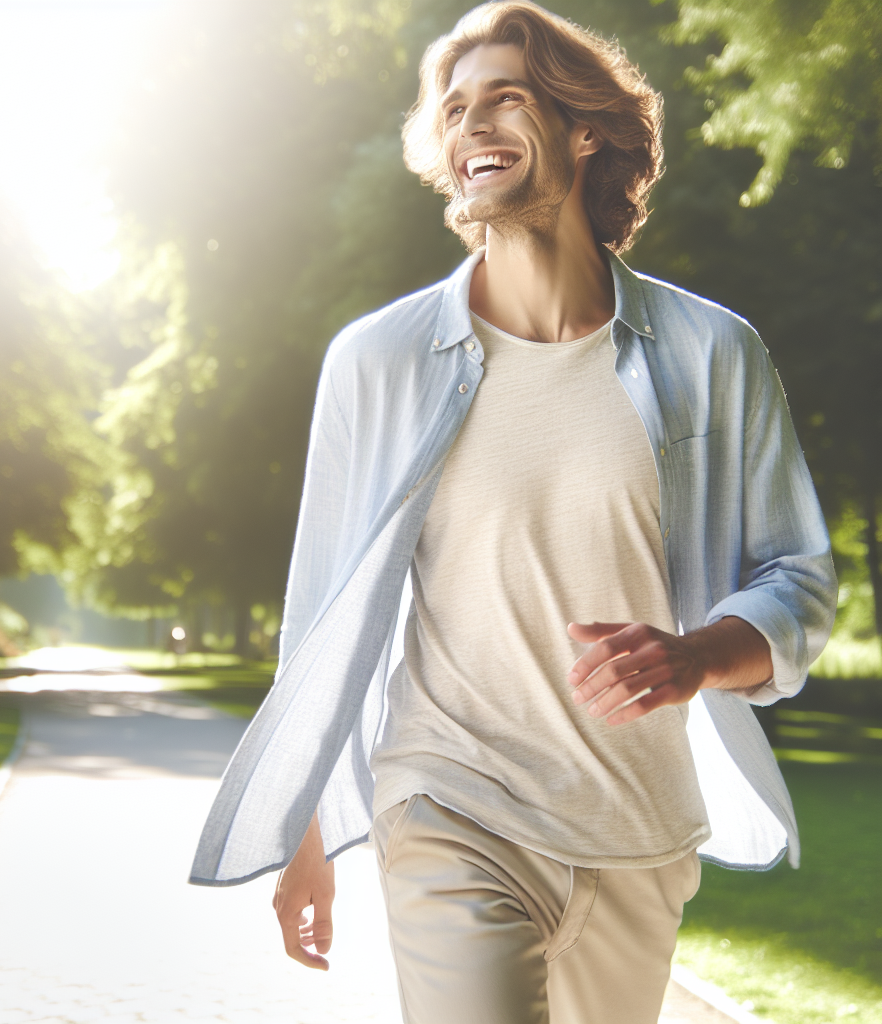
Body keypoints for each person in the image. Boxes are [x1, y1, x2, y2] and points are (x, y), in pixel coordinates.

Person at [189, 3, 837, 1021]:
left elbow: (797, 575)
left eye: (506, 99)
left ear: (584, 131)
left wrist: (698, 655)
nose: (472, 126)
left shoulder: (713, 353)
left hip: (638, 832)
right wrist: (301, 827)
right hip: (450, 802)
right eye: (454, 111)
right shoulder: (380, 362)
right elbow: (319, 610)